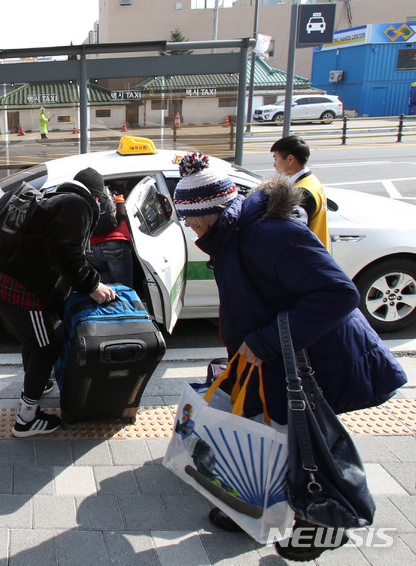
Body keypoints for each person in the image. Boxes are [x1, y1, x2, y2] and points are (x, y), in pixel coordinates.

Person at [173, 152, 407, 561]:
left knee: (305, 445)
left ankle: (320, 524)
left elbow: (338, 293)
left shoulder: (269, 234)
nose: (188, 226)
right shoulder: (232, 234)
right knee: (269, 436)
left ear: (213, 210)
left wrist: (262, 341)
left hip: (315, 360)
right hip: (279, 360)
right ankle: (252, 507)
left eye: (191, 216)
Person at [0, 175, 116, 438]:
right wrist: (93, 286)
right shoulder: (76, 205)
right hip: (19, 286)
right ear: (96, 196)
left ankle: (38, 385)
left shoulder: (54, 198)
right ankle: (26, 419)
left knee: (34, 339)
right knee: (46, 349)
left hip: (2, 278)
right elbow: (65, 251)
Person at [74, 168, 134, 289]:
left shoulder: (78, 199)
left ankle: (107, 306)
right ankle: (124, 306)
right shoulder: (119, 193)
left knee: (102, 286)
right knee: (124, 289)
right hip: (116, 243)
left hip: (90, 246)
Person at [270, 135, 330, 251]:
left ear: (290, 159)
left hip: (307, 259)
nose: (274, 165)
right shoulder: (312, 182)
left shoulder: (302, 191)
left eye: (276, 159)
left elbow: (293, 233)